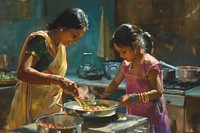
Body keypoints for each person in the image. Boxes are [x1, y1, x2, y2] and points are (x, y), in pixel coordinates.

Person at [5, 8, 89, 130]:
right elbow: (23, 72)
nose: (75, 41)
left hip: (50, 109)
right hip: (30, 108)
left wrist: (71, 87)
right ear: (62, 27)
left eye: (78, 38)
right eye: (74, 35)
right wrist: (59, 80)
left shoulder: (60, 46)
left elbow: (52, 75)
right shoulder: (41, 41)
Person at [101, 24, 171, 133]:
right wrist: (107, 93)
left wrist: (133, 98)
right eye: (118, 52)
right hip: (134, 118)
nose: (121, 56)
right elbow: (115, 82)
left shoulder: (149, 64)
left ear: (135, 46)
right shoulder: (126, 65)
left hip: (152, 119)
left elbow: (158, 92)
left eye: (123, 51)